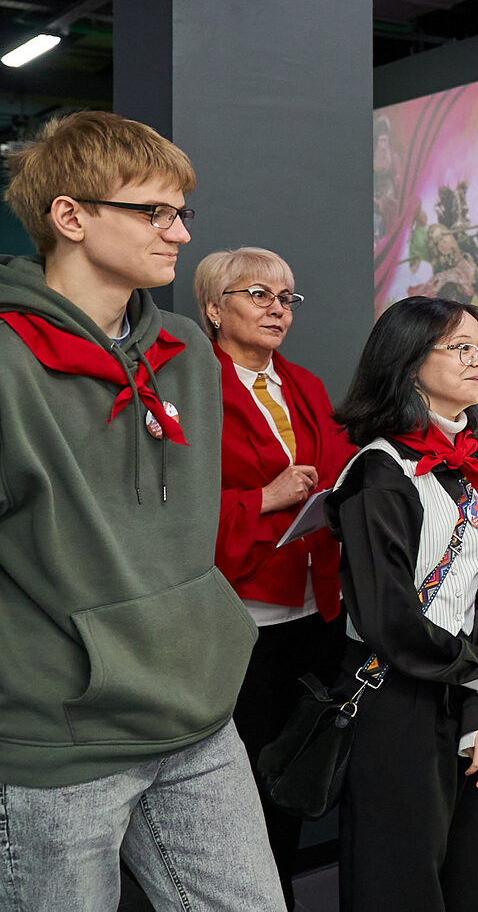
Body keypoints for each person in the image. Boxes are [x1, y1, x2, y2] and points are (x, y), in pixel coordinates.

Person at [0, 111, 285, 911]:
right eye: (154, 212)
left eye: (181, 213)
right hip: (60, 740)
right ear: (71, 216)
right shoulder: (7, 359)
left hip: (198, 718)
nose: (180, 234)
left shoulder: (188, 350)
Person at [327, 296, 478, 912]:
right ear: (409, 361)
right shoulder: (377, 472)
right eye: (461, 349)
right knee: (401, 874)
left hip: (470, 687)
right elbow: (389, 619)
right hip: (396, 693)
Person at [195, 246, 355, 909]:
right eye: (258, 295)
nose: (277, 309)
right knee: (246, 785)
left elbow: (338, 467)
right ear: (214, 309)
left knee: (296, 774)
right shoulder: (193, 387)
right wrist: (265, 498)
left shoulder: (305, 384)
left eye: (286, 298)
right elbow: (170, 507)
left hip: (315, 609)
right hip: (245, 618)